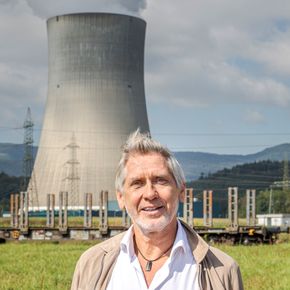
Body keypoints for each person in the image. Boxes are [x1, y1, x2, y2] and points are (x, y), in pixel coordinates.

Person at [71, 130, 244, 290]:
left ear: (181, 192)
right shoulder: (91, 265)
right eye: (137, 183)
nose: (150, 194)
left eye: (160, 181)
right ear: (121, 198)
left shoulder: (222, 270)